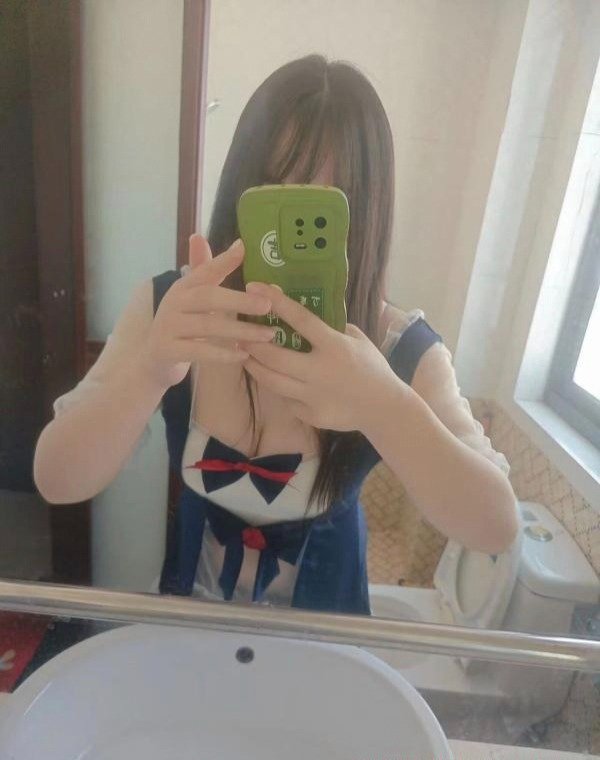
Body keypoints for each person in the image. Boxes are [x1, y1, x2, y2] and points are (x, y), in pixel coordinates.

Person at [34, 55, 518, 614]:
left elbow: (495, 528)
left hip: (325, 633)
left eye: (322, 210)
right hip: (194, 618)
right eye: (274, 196)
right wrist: (150, 370)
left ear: (365, 216)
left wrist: (382, 404)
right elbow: (56, 479)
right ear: (240, 193)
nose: (291, 240)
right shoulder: (174, 308)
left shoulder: (399, 348)